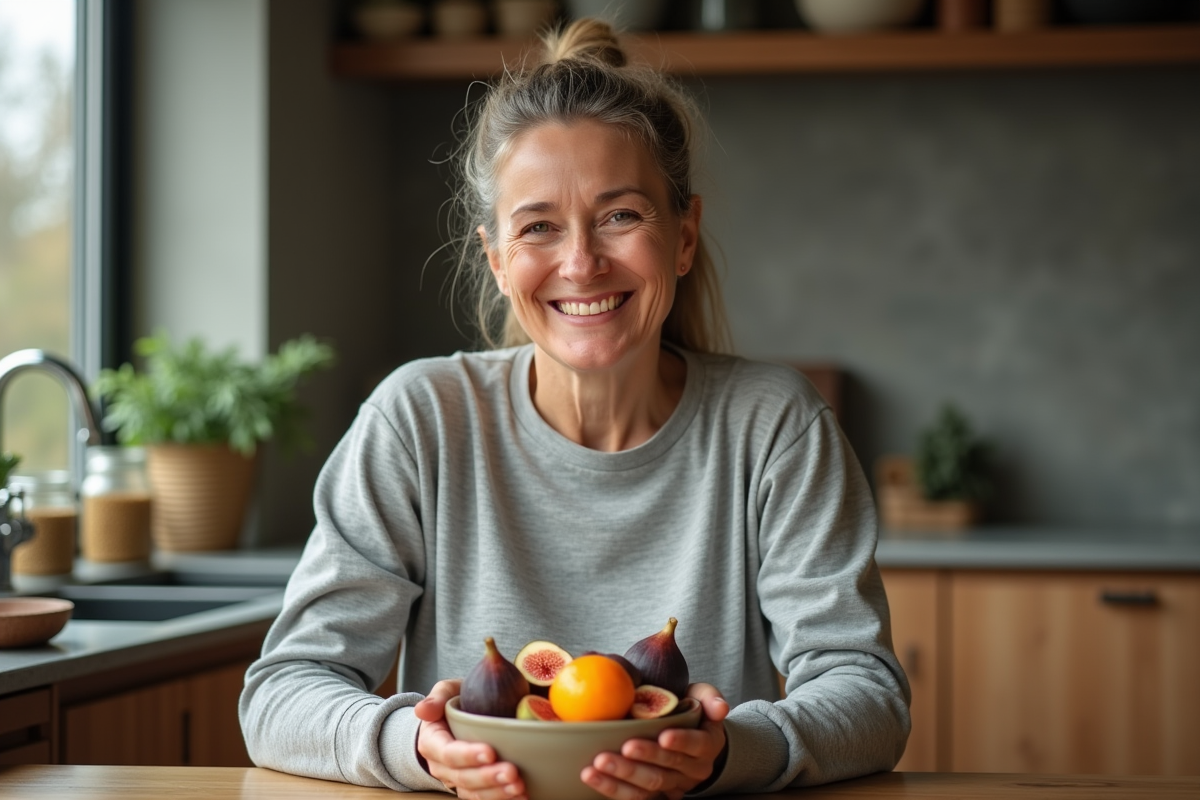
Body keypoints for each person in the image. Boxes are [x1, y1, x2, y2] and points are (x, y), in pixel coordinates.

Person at [240, 17, 910, 799]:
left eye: (621, 215)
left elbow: (868, 694)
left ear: (684, 236)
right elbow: (282, 695)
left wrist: (730, 751)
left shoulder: (775, 427)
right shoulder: (419, 420)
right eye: (539, 228)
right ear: (496, 259)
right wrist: (416, 750)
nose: (582, 262)